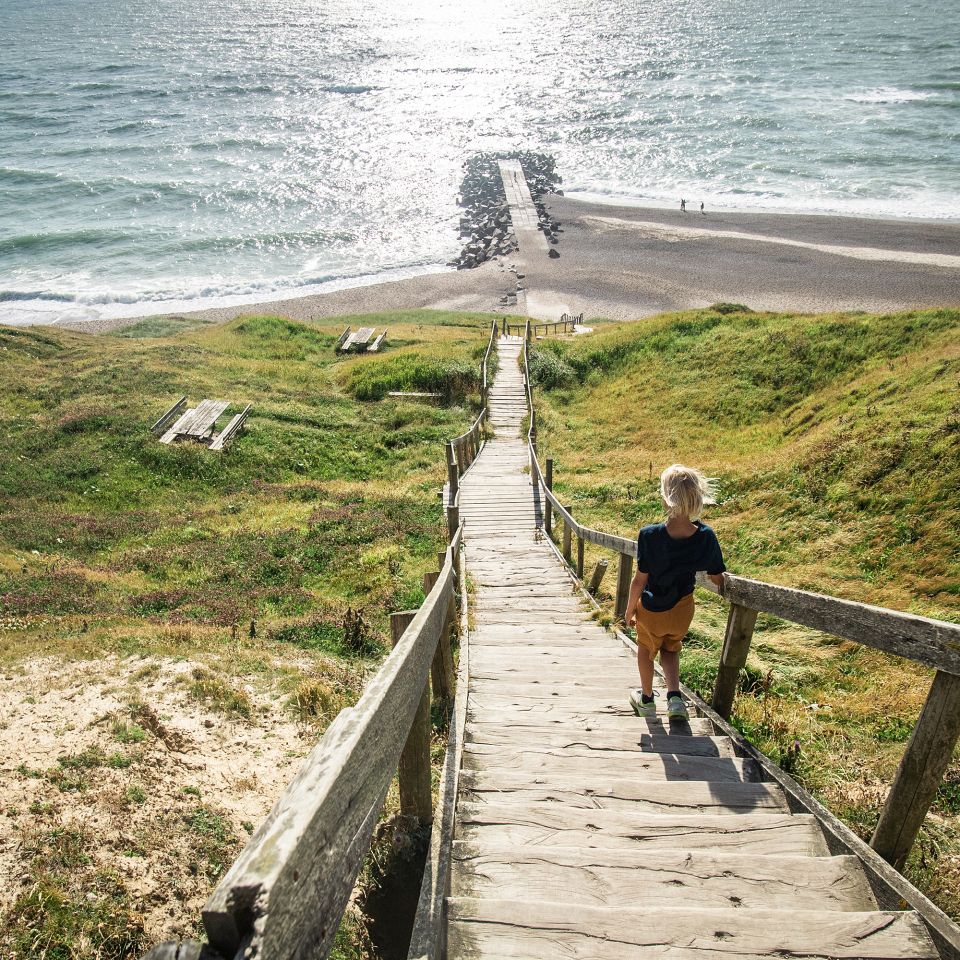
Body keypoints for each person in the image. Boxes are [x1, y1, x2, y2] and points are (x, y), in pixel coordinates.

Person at [626, 464, 726, 720]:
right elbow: (717, 577)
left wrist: (628, 611)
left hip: (651, 609)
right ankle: (675, 699)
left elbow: (639, 580)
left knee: (646, 650)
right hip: (683, 609)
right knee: (671, 648)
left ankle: (647, 699)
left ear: (665, 498)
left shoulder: (649, 535)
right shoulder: (706, 536)